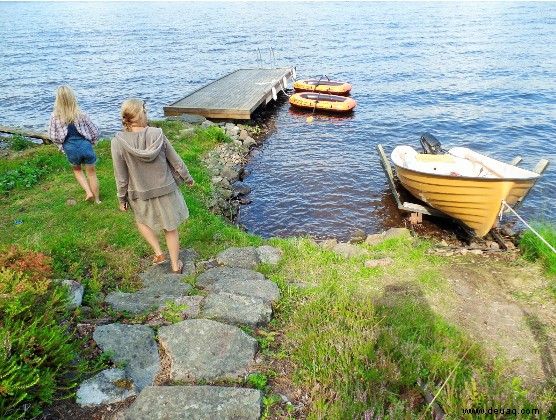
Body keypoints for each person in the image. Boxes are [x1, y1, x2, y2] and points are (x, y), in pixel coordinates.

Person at [111, 99, 194, 274]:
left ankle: (158, 253)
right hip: (165, 188)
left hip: (138, 192)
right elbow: (176, 161)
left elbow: (121, 175)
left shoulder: (117, 142)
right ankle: (174, 265)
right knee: (170, 228)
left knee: (141, 220)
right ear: (143, 114)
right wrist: (187, 178)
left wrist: (121, 197)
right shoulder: (157, 134)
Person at [48, 85, 101, 203]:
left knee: (77, 171)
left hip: (70, 148)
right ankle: (97, 200)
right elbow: (95, 131)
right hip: (85, 146)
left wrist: (61, 146)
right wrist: (93, 141)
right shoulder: (81, 114)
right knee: (91, 174)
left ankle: (88, 192)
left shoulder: (54, 117)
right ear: (73, 97)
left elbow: (52, 136)